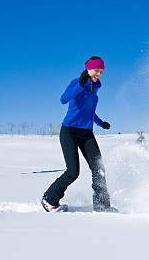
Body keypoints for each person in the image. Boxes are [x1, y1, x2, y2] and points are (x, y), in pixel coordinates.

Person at [41, 56, 116, 212]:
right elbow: (63, 99)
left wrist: (101, 123)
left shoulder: (95, 89)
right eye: (97, 70)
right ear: (88, 68)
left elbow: (89, 111)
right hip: (69, 131)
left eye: (101, 71)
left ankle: (102, 205)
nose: (99, 74)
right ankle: (49, 199)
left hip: (87, 133)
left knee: (98, 168)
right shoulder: (76, 83)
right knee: (73, 172)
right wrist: (80, 86)